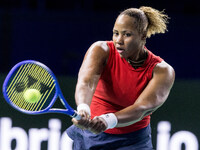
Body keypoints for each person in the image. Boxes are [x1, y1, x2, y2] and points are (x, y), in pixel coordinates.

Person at [66, 6, 175, 150]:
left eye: (127, 34)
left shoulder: (162, 71)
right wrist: (83, 108)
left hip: (133, 142)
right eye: (115, 33)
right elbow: (86, 83)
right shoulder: (100, 50)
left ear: (143, 36)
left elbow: (141, 109)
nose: (119, 40)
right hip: (91, 136)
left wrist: (107, 120)